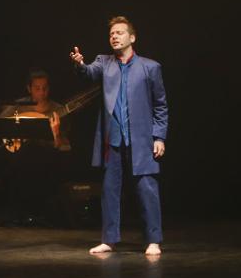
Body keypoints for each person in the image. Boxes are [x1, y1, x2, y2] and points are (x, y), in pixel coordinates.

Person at [69, 16, 168, 256]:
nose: (114, 36)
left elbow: (160, 105)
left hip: (142, 139)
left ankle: (153, 240)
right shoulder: (104, 63)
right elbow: (88, 73)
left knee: (147, 189)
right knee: (110, 189)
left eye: (120, 32)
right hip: (113, 139)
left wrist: (159, 137)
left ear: (132, 38)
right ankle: (109, 240)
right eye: (112, 33)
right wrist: (80, 64)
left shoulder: (150, 67)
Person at [0, 68, 72, 224]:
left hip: (47, 158)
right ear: (29, 89)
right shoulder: (19, 106)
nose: (41, 92)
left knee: (34, 153)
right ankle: (20, 212)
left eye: (45, 88)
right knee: (20, 157)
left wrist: (55, 133)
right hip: (21, 158)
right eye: (37, 88)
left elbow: (63, 147)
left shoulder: (57, 110)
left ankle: (41, 212)